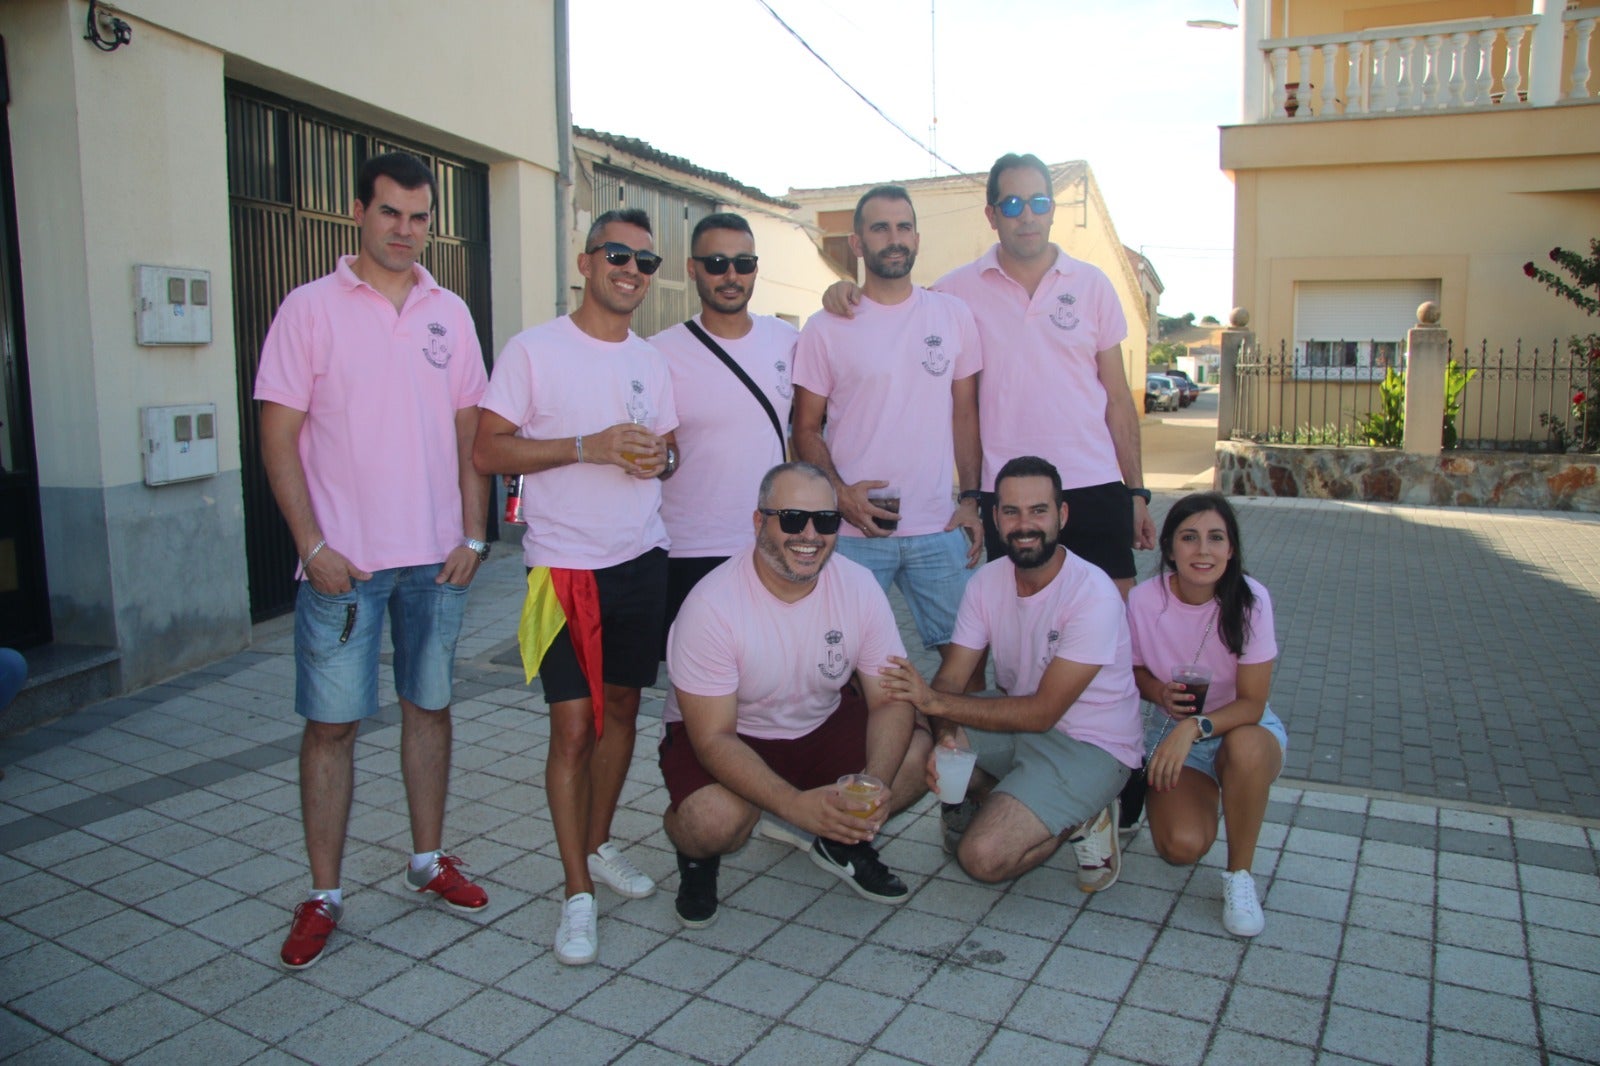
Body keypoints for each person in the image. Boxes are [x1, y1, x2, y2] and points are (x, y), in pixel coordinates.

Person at [255, 151, 491, 971]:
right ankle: (324, 893)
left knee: (430, 708)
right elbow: (278, 435)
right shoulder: (309, 308)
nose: (405, 230)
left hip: (436, 560)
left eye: (420, 217)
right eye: (390, 212)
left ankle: (427, 861)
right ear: (358, 210)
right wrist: (310, 546)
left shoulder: (450, 312)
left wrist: (474, 534)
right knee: (331, 726)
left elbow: (472, 433)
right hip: (344, 567)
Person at [474, 207, 678, 966]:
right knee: (573, 727)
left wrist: (661, 461)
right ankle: (575, 893)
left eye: (646, 262)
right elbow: (488, 450)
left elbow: (671, 451)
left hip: (641, 557)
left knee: (622, 709)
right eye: (618, 254)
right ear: (587, 263)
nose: (631, 270)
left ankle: (597, 846)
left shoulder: (651, 361)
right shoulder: (534, 350)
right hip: (562, 569)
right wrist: (586, 447)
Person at [823, 154, 1154, 592]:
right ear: (992, 215)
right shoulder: (954, 292)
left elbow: (1117, 399)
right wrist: (844, 290)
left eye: (1038, 202)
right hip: (1010, 496)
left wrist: (1136, 493)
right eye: (1013, 204)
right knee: (1022, 636)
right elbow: (894, 306)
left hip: (1094, 484)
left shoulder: (1093, 285)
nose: (1028, 215)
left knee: (1114, 629)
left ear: (1053, 208)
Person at [662, 462, 923, 928]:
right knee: (714, 822)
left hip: (818, 723)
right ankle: (697, 858)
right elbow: (714, 739)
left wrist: (872, 789)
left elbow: (889, 699)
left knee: (922, 755)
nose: (810, 534)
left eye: (825, 521)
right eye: (791, 518)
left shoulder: (859, 586)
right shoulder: (710, 606)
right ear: (760, 522)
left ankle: (842, 838)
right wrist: (792, 805)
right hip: (733, 735)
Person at [880, 456, 1142, 892]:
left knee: (982, 858)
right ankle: (846, 831)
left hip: (1091, 744)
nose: (1025, 524)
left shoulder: (1092, 593)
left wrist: (934, 703)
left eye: (1038, 510)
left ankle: (1083, 817)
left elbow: (1042, 713)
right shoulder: (987, 581)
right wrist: (945, 737)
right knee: (918, 737)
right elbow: (951, 680)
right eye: (1011, 511)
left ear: (1062, 515)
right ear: (995, 518)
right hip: (1015, 725)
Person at [793, 185, 984, 728]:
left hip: (937, 528)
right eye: (880, 228)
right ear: (857, 242)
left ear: (917, 238)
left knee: (969, 664)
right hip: (856, 533)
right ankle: (855, 782)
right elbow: (805, 428)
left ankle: (958, 779)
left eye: (903, 227)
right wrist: (839, 494)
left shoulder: (953, 316)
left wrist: (970, 500)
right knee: (838, 668)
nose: (893, 239)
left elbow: (965, 414)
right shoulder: (826, 326)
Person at [1127, 492, 1285, 937]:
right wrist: (1159, 691)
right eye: (1189, 538)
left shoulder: (1251, 600)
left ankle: (1240, 876)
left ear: (1231, 549)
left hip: (1239, 726)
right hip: (1172, 729)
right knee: (1180, 846)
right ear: (1170, 548)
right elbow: (1133, 671)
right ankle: (1213, 792)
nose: (1203, 551)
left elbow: (1253, 702)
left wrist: (1195, 727)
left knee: (1247, 749)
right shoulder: (1143, 601)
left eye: (1216, 538)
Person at [650, 212, 797, 643]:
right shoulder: (659, 352)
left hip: (770, 543)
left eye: (743, 263)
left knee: (775, 670)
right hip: (689, 548)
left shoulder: (787, 340)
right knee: (694, 683)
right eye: (716, 264)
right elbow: (662, 452)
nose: (731, 275)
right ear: (692, 269)